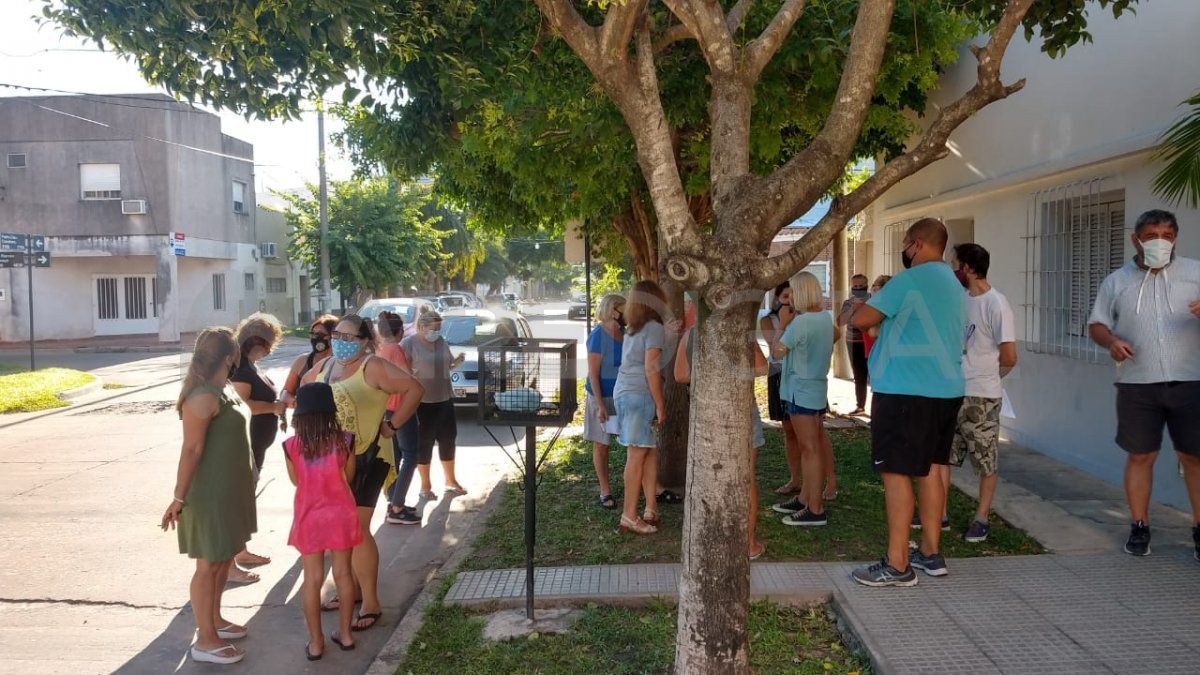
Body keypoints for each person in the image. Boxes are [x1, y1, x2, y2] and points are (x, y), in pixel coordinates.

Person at [848, 218, 965, 586]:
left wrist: (869, 311)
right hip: (946, 389)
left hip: (905, 390)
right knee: (930, 469)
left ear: (916, 244)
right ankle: (931, 552)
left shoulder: (908, 281)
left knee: (896, 472)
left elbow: (861, 318)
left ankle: (898, 564)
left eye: (905, 244)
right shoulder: (953, 283)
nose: (905, 252)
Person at [1088, 209, 1200, 560]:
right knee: (1140, 455)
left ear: (1176, 239)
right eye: (1152, 235)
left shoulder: (1195, 274)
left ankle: (1199, 528)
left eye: (1167, 235)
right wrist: (1111, 342)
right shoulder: (1117, 281)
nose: (1160, 242)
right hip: (1137, 384)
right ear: (1136, 239)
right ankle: (1139, 526)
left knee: (1194, 457)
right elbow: (1097, 325)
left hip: (1190, 381)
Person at [301, 314, 423, 630]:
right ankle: (350, 590)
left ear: (366, 341)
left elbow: (414, 389)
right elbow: (304, 385)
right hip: (332, 462)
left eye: (350, 338)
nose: (341, 342)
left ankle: (370, 601)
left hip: (369, 457)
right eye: (338, 335)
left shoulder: (374, 366)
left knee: (356, 530)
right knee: (342, 532)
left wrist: (392, 425)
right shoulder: (328, 366)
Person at [160, 328, 256, 665]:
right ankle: (205, 639)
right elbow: (192, 450)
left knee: (221, 562)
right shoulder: (202, 396)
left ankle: (214, 622)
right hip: (210, 496)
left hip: (229, 492)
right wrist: (179, 497)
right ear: (231, 356)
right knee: (208, 565)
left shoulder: (222, 388)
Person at [936, 243, 1017, 543]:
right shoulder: (961, 300)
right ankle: (939, 513)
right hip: (952, 390)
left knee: (985, 459)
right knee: (943, 456)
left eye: (955, 264)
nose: (952, 269)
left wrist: (987, 379)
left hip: (982, 396)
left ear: (968, 268)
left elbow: (1009, 356)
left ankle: (981, 518)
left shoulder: (997, 304)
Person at [675, 323, 769, 558]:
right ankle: (747, 543)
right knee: (746, 479)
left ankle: (713, 541)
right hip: (741, 411)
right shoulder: (740, 330)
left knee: (711, 479)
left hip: (707, 414)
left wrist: (708, 375)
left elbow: (681, 375)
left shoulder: (690, 334)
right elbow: (761, 366)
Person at [283, 382, 362, 660]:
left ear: (299, 415)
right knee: (343, 575)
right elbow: (349, 478)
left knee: (312, 579)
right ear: (331, 411)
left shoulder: (291, 445)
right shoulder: (346, 440)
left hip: (309, 516)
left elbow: (296, 482)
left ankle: (315, 643)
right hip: (340, 514)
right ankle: (346, 634)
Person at [770, 271, 837, 527]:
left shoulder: (800, 322)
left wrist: (783, 326)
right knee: (812, 447)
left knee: (809, 450)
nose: (790, 298)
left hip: (801, 390)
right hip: (816, 387)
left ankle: (815, 508)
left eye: (794, 292)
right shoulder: (823, 318)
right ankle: (805, 497)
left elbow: (776, 353)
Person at [228, 313, 287, 583]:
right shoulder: (240, 369)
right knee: (238, 502)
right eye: (268, 343)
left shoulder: (250, 365)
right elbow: (243, 406)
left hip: (257, 445)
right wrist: (274, 408)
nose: (269, 349)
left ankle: (240, 551)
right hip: (246, 445)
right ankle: (230, 562)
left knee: (244, 501)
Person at [614, 280, 675, 535]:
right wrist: (661, 404)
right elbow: (651, 368)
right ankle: (629, 515)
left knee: (648, 451)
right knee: (637, 454)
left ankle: (651, 508)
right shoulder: (653, 328)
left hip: (625, 391)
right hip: (640, 394)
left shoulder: (633, 328)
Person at [401, 309, 467, 500]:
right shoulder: (409, 343)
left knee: (448, 440)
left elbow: (448, 365)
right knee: (424, 444)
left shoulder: (441, 342)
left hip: (444, 399)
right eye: (434, 328)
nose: (436, 332)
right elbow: (404, 372)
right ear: (421, 327)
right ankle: (425, 486)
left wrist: (458, 361)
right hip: (422, 402)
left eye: (439, 328)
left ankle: (451, 481)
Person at [375, 311, 422, 526]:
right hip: (400, 410)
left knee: (395, 459)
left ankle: (394, 501)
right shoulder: (396, 350)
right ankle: (397, 506)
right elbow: (407, 382)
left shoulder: (380, 350)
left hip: (385, 409)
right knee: (411, 456)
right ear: (400, 332)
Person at [760, 283, 804, 496]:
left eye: (793, 296)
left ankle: (817, 481)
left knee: (808, 431)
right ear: (777, 298)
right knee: (789, 430)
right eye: (786, 296)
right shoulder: (767, 320)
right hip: (779, 375)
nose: (789, 301)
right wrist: (785, 324)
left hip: (801, 377)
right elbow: (775, 350)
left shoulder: (805, 318)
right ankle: (795, 479)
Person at [585, 293, 625, 509]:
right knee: (601, 444)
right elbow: (593, 374)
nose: (626, 313)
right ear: (613, 310)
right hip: (601, 396)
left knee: (634, 441)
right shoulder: (598, 335)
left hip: (622, 396)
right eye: (623, 309)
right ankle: (605, 490)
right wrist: (600, 405)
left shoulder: (624, 332)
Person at [282, 314, 339, 405]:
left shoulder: (341, 362)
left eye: (320, 334)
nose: (315, 337)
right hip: (305, 417)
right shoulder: (302, 362)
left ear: (333, 337)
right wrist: (296, 402)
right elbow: (285, 392)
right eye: (312, 334)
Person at [838, 274, 872, 415]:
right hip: (853, 342)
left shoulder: (873, 299)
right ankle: (860, 406)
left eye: (861, 285)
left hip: (870, 341)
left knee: (873, 373)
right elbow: (840, 322)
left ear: (867, 285)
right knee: (859, 374)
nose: (858, 288)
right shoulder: (848, 302)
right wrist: (853, 307)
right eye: (855, 286)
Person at [862, 275, 891, 358]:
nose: (872, 288)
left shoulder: (878, 308)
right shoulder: (872, 305)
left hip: (879, 356)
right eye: (873, 285)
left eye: (875, 285)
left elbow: (873, 333)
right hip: (873, 354)